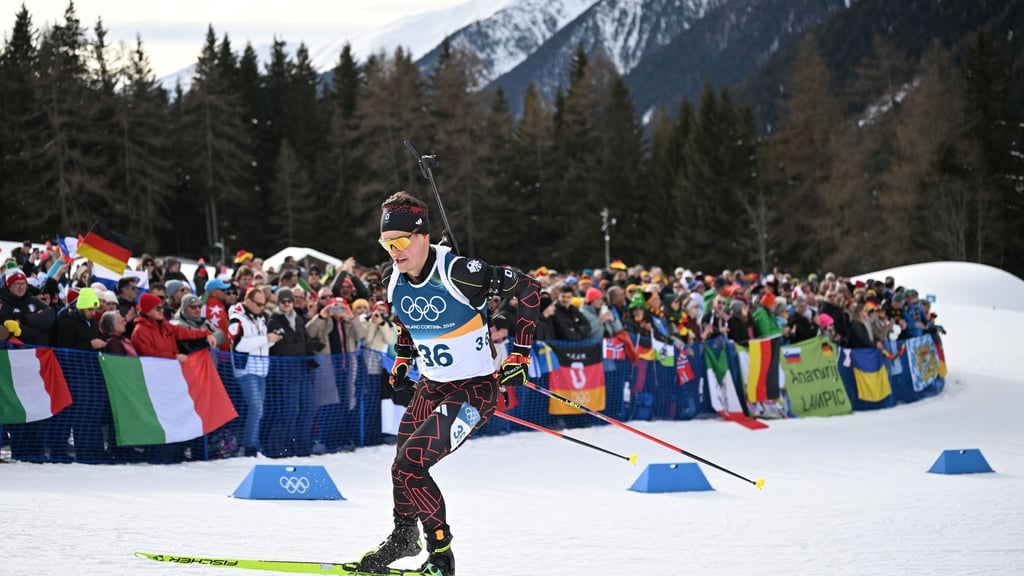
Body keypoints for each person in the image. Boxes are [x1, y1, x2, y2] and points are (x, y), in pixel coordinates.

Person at [356, 191, 540, 576]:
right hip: (431, 386)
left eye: (401, 241)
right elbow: (406, 319)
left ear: (423, 236)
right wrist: (404, 357)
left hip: (473, 389)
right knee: (400, 468)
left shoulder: (460, 272)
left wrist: (520, 354)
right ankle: (405, 536)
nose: (394, 250)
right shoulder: (393, 279)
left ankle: (442, 556)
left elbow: (529, 289)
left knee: (411, 465)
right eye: (386, 243)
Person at [228, 286, 282, 457]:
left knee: (259, 409)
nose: (261, 307)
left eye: (264, 304)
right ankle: (249, 446)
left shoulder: (261, 319)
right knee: (256, 407)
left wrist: (272, 340)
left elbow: (259, 345)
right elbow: (239, 345)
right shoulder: (237, 319)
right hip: (246, 370)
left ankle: (255, 444)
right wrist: (265, 339)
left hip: (261, 369)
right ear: (248, 301)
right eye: (258, 304)